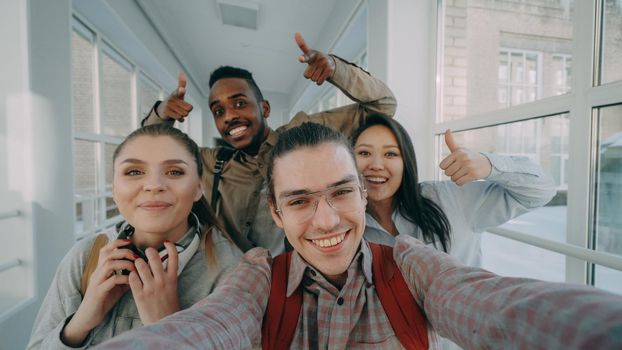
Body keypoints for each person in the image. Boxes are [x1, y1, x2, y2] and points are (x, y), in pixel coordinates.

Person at [97, 123, 622, 349]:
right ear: (276, 216)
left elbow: (494, 305)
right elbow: (214, 324)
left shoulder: (412, 259)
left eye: (341, 193)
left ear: (362, 195)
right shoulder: (258, 275)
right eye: (300, 200)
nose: (326, 221)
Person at [142, 33, 396, 254]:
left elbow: (383, 106)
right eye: (218, 111)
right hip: (236, 288)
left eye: (240, 103)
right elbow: (149, 151)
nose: (229, 116)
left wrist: (335, 69)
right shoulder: (211, 164)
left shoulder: (306, 134)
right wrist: (162, 114)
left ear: (264, 108)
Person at [27, 124, 241, 349]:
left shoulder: (231, 271)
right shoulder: (84, 256)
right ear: (114, 191)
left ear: (198, 188)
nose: (154, 185)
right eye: (134, 172)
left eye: (175, 172)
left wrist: (169, 329)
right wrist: (80, 323)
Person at [353, 113, 556, 266]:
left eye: (390, 154)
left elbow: (541, 191)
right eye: (364, 152)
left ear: (406, 162)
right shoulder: (345, 225)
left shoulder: (449, 199)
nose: (376, 165)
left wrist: (488, 165)